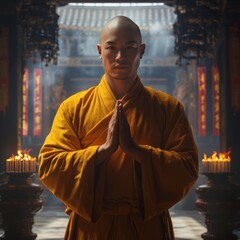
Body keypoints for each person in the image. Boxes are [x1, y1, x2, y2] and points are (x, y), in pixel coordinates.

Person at [38, 16, 198, 240]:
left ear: (141, 50)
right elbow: (49, 164)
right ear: (99, 50)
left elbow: (188, 167)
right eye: (111, 48)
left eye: (130, 47)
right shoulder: (73, 107)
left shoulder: (168, 108)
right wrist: (101, 152)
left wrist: (137, 151)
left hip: (146, 227)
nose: (120, 57)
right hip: (91, 228)